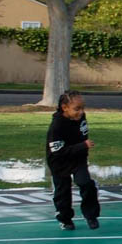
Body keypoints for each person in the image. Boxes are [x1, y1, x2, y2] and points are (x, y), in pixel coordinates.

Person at [45, 90, 100, 230]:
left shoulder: (81, 118)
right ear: (65, 107)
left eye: (83, 108)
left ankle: (91, 215)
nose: (81, 112)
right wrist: (82, 146)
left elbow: (83, 136)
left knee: (86, 183)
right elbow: (58, 151)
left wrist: (83, 150)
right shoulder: (56, 127)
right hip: (59, 161)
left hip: (77, 158)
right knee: (62, 191)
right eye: (77, 109)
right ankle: (65, 219)